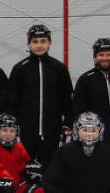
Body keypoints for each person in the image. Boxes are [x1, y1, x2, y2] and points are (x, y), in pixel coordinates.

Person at [6, 24, 73, 166]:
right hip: (26, 131)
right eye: (35, 41)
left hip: (52, 130)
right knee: (25, 167)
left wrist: (67, 123)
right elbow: (12, 99)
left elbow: (67, 99)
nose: (39, 45)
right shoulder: (20, 68)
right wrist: (13, 125)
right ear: (29, 44)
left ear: (49, 43)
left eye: (43, 41)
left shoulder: (59, 68)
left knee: (50, 167)